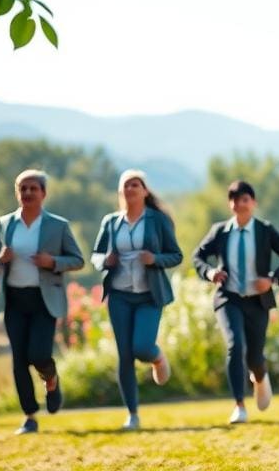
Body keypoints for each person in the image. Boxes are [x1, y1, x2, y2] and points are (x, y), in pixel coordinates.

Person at [0, 169, 84, 434]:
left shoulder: (57, 225)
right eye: (23, 188)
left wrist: (53, 262)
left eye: (33, 188)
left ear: (43, 193)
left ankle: (50, 380)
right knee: (19, 361)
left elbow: (77, 260)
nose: (28, 193)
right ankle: (29, 416)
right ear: (17, 193)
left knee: (38, 355)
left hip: (44, 299)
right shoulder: (5, 224)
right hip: (15, 300)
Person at [192, 180, 279, 425]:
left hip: (257, 302)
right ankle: (239, 405)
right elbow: (198, 256)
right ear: (230, 204)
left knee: (255, 357)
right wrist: (210, 273)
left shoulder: (265, 230)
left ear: (253, 203)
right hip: (228, 298)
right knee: (235, 346)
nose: (239, 204)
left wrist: (272, 279)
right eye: (235, 199)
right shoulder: (220, 231)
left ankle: (260, 376)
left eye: (244, 199)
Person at [91, 170, 183, 430]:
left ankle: (157, 358)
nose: (130, 189)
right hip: (119, 295)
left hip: (149, 295)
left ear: (144, 191)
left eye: (135, 184)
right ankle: (132, 414)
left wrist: (155, 259)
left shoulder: (157, 220)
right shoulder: (111, 222)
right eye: (125, 186)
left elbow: (175, 255)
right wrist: (104, 261)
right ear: (121, 193)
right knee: (124, 356)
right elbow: (96, 255)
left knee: (141, 347)